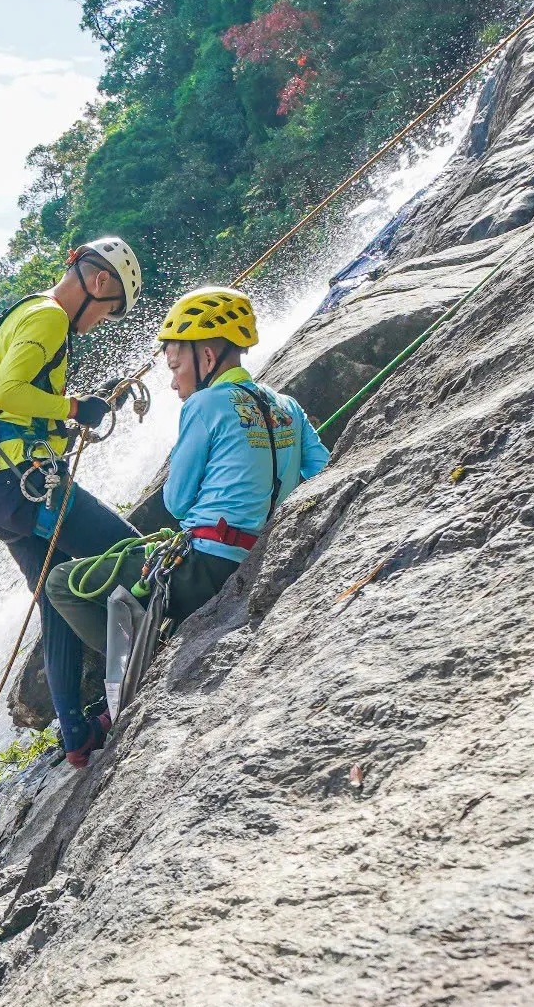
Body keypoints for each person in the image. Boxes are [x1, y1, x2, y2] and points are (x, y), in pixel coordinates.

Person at [44, 287, 328, 703]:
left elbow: (177, 501)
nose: (174, 381)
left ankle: (145, 666)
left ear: (207, 358)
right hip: (260, 553)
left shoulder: (204, 404)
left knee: (62, 582)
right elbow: (321, 470)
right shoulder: (287, 405)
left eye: (176, 366)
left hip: (203, 568)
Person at [0, 236, 148, 765]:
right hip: (29, 487)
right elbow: (7, 393)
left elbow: (15, 411)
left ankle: (74, 737)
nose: (103, 322)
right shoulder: (49, 318)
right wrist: (74, 405)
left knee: (54, 598)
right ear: (98, 284)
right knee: (133, 552)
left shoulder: (24, 311)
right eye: (110, 311)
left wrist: (83, 410)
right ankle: (144, 666)